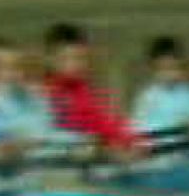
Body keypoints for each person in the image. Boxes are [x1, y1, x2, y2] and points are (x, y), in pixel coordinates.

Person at [42, 22, 144, 159]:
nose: (75, 65)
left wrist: (131, 140)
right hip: (63, 157)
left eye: (80, 58)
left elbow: (106, 121)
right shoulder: (45, 94)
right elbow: (46, 132)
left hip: (93, 153)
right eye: (67, 59)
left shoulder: (86, 91)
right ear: (51, 60)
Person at [130, 35, 189, 145]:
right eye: (162, 70)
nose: (169, 75)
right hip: (158, 149)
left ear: (182, 67)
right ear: (152, 70)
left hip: (185, 146)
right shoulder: (147, 97)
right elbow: (137, 127)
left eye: (173, 69)